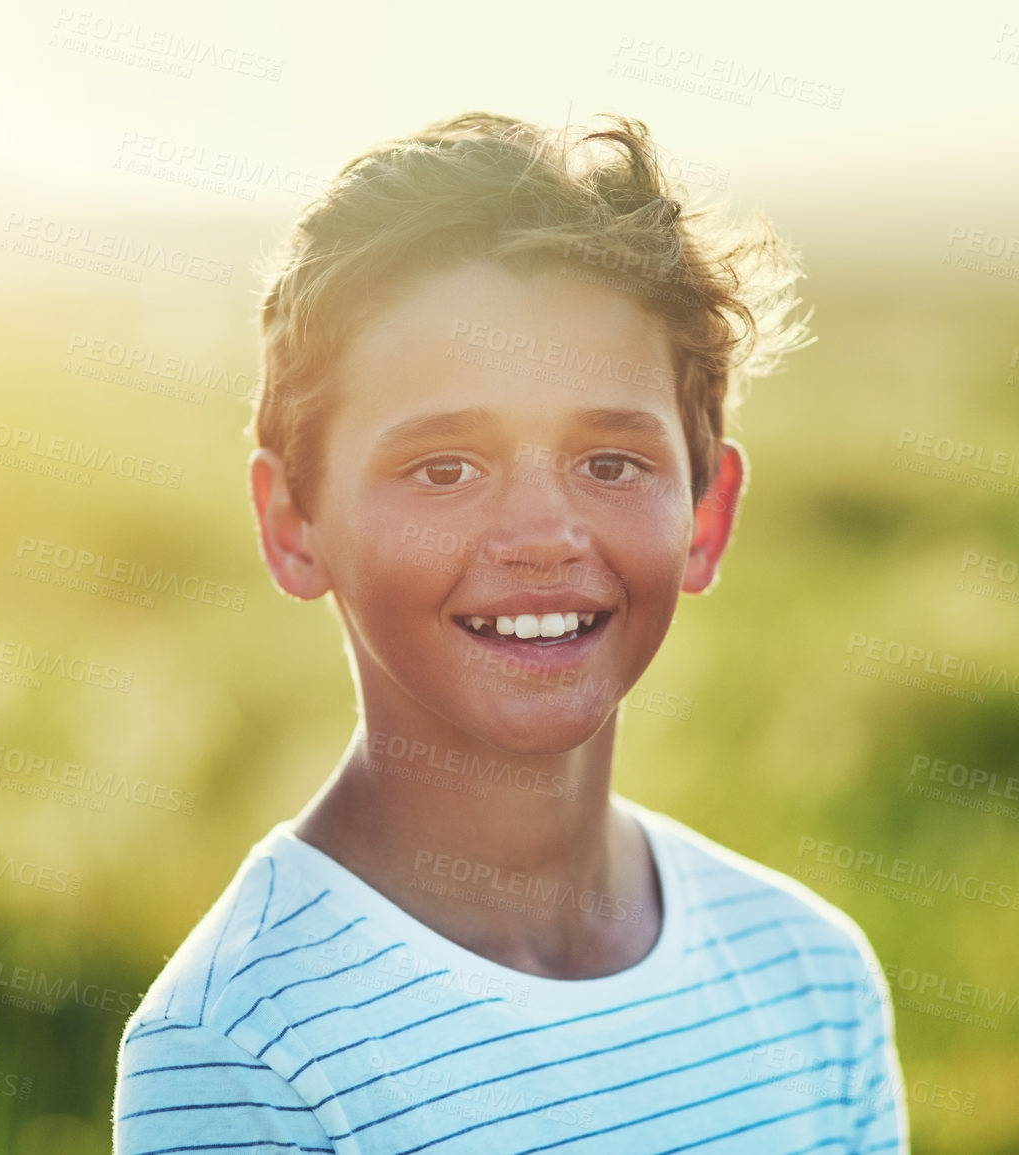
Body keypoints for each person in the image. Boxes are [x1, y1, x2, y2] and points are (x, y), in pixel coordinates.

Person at [113, 111, 907, 1154]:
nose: (544, 537)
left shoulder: (813, 976)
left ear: (706, 519)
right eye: (445, 468)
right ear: (292, 525)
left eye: (611, 463)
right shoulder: (242, 1046)